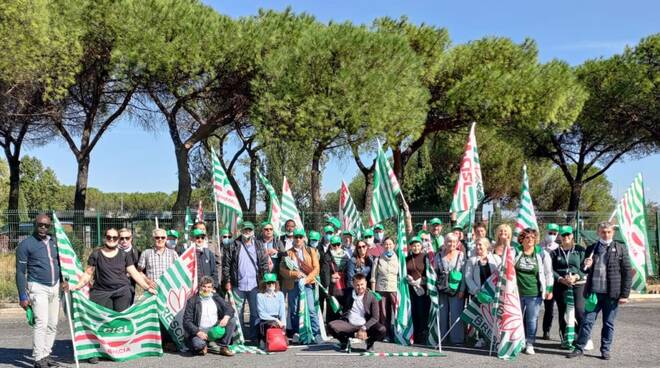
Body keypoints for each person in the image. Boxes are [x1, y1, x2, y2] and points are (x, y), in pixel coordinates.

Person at [73, 228, 156, 364]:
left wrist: (147, 287)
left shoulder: (124, 255)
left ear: (117, 239)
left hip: (121, 292)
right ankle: (95, 351)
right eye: (109, 237)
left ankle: (117, 349)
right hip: (100, 292)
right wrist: (77, 285)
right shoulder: (96, 254)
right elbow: (88, 273)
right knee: (99, 322)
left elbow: (134, 273)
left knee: (120, 323)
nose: (111, 239)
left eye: (114, 237)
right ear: (105, 237)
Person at [567, 222, 631, 361]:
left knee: (608, 323)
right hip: (593, 294)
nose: (606, 234)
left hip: (612, 295)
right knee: (587, 322)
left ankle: (605, 350)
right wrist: (586, 265)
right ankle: (579, 348)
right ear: (598, 232)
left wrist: (624, 295)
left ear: (612, 232)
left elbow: (627, 273)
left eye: (608, 232)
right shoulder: (591, 248)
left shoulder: (620, 248)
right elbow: (583, 270)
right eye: (603, 232)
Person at [15, 214, 65, 368]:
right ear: (34, 224)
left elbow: (61, 263)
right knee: (41, 323)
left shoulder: (54, 242)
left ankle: (46, 354)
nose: (43, 228)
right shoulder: (25, 245)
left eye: (46, 225)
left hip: (55, 287)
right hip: (37, 287)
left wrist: (64, 281)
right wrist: (23, 296)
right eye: (40, 225)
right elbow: (20, 272)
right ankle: (38, 359)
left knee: (53, 324)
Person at [222, 221, 269, 341]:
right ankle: (239, 338)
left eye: (249, 229)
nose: (247, 232)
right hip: (238, 285)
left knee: (255, 312)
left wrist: (265, 281)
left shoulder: (259, 245)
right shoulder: (233, 245)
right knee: (238, 313)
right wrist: (227, 281)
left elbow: (264, 264)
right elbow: (226, 265)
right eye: (245, 230)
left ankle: (254, 337)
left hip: (255, 285)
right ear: (241, 231)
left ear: (253, 231)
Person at [513, 228, 553, 355]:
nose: (530, 240)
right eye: (527, 237)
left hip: (534, 293)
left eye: (532, 237)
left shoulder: (542, 253)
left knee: (531, 319)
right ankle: (517, 341)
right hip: (516, 293)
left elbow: (548, 273)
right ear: (522, 240)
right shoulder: (515, 251)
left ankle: (530, 343)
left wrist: (549, 289)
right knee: (516, 319)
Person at [279, 228, 321, 342]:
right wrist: (294, 274)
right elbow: (282, 270)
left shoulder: (311, 251)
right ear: (293, 238)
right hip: (293, 284)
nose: (298, 239)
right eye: (296, 237)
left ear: (304, 238)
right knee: (294, 310)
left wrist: (306, 279)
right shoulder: (288, 253)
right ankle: (297, 332)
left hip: (306, 285)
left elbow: (316, 269)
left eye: (300, 237)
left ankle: (316, 333)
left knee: (311, 310)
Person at [328, 273, 386, 352]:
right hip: (349, 324)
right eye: (357, 285)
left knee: (382, 330)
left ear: (366, 283)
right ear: (353, 285)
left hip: (365, 325)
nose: (360, 287)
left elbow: (375, 318)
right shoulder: (348, 292)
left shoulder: (372, 296)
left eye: (362, 284)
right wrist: (333, 283)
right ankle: (344, 341)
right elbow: (333, 293)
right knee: (331, 326)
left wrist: (363, 328)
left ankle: (369, 342)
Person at [550, 225, 586, 349]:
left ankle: (583, 338)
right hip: (561, 286)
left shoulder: (580, 250)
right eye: (563, 235)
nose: (565, 237)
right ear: (559, 236)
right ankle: (566, 338)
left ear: (572, 236)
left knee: (580, 311)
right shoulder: (554, 252)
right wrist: (560, 279)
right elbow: (551, 269)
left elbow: (585, 267)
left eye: (568, 235)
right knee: (563, 312)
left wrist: (576, 276)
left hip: (578, 285)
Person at [183, 276, 236, 356]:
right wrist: (198, 332)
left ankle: (223, 347)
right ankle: (206, 345)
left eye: (208, 287)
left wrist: (226, 317)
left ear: (212, 288)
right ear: (200, 287)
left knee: (232, 320)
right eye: (204, 286)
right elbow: (186, 321)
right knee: (198, 345)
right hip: (200, 331)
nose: (206, 289)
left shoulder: (216, 297)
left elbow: (229, 309)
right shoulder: (192, 301)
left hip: (215, 329)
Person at [463, 237, 501, 348]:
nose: (478, 247)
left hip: (493, 293)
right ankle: (481, 338)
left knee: (494, 317)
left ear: (487, 246)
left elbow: (500, 274)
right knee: (481, 317)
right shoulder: (472, 260)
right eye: (477, 245)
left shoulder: (495, 258)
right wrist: (476, 291)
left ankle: (495, 340)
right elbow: (468, 277)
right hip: (479, 293)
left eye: (481, 245)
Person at [435, 233, 466, 346]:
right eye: (449, 241)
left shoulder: (461, 255)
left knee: (456, 314)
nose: (451, 244)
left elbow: (464, 273)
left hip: (456, 289)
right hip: (442, 289)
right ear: (444, 242)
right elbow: (435, 272)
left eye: (454, 242)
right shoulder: (438, 255)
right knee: (442, 315)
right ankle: (442, 338)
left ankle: (457, 339)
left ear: (457, 243)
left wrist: (462, 289)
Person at [370, 237, 398, 341]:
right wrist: (373, 292)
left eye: (390, 244)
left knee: (396, 312)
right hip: (381, 289)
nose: (388, 246)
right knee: (383, 313)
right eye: (386, 244)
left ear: (394, 245)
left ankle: (397, 333)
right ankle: (385, 334)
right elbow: (373, 277)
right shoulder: (378, 258)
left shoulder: (398, 258)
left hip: (394, 288)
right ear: (382, 246)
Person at [406, 236, 430, 344]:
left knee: (422, 312)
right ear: (410, 247)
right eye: (413, 245)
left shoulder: (426, 257)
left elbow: (430, 273)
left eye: (418, 245)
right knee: (413, 312)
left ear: (421, 246)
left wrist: (422, 280)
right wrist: (407, 278)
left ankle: (423, 335)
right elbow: (404, 271)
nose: (416, 248)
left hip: (422, 289)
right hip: (410, 289)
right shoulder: (407, 258)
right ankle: (414, 335)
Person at [321, 235, 350, 322]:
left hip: (344, 284)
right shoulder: (327, 256)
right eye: (334, 245)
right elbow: (324, 272)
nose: (336, 247)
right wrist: (330, 280)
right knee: (333, 305)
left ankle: (342, 325)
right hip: (333, 285)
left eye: (338, 244)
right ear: (331, 245)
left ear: (341, 244)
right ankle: (331, 326)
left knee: (344, 304)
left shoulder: (346, 255)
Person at [256, 273, 286, 348]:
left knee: (285, 342)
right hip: (265, 320)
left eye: (273, 282)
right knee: (271, 325)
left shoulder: (280, 295)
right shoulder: (259, 296)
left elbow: (282, 311)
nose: (271, 285)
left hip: (277, 320)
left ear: (276, 283)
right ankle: (263, 339)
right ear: (264, 284)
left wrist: (283, 324)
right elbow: (261, 314)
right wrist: (276, 320)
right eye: (268, 283)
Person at [541, 223, 560, 339]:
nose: (552, 235)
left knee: (553, 308)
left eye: (554, 233)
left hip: (556, 281)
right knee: (547, 308)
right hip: (543, 280)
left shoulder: (558, 247)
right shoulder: (539, 247)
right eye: (550, 233)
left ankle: (561, 332)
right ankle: (545, 330)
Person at [118, 228, 141, 300]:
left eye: (127, 238)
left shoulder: (137, 253)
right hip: (115, 286)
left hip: (130, 286)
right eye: (121, 238)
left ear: (131, 239)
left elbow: (141, 271)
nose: (124, 240)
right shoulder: (113, 252)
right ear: (118, 239)